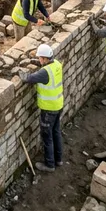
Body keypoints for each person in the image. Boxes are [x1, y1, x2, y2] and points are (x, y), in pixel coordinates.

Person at [20, 43, 64, 172]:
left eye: (40, 58)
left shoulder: (44, 72)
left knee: (47, 136)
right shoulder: (56, 64)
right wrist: (33, 61)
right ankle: (59, 159)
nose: (39, 60)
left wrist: (19, 72)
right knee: (56, 132)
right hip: (58, 105)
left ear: (44, 59)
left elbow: (28, 78)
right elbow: (44, 68)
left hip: (49, 109)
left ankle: (50, 164)